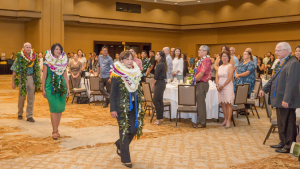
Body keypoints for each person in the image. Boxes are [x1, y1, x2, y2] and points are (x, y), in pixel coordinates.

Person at [259, 42, 300, 153]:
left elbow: (292, 83)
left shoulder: (293, 63)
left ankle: (289, 145)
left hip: (286, 99)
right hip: (279, 99)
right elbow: (273, 79)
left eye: (278, 50)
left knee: (288, 122)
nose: (275, 52)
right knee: (281, 122)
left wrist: (286, 99)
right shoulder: (281, 63)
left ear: (286, 51)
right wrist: (264, 89)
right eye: (276, 50)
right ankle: (283, 142)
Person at [110, 51, 144, 168]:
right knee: (124, 131)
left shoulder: (135, 73)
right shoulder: (116, 74)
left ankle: (120, 145)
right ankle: (126, 158)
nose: (130, 61)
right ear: (121, 60)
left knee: (134, 129)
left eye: (131, 59)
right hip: (121, 107)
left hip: (133, 106)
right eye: (127, 59)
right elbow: (113, 93)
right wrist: (113, 109)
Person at [42, 43, 70, 140]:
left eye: (60, 49)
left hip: (61, 87)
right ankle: (54, 131)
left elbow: (65, 76)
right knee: (54, 108)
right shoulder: (47, 62)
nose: (58, 51)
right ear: (52, 50)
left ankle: (57, 129)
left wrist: (68, 88)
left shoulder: (63, 62)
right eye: (56, 49)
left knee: (60, 109)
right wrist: (43, 89)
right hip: (50, 87)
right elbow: (44, 76)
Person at [11, 42, 41, 122]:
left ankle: (29, 116)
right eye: (27, 47)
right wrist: (13, 82)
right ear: (23, 48)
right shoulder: (19, 57)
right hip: (22, 78)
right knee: (22, 97)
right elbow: (14, 71)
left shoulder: (34, 57)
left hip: (31, 78)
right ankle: (20, 113)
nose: (28, 48)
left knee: (31, 97)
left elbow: (37, 69)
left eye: (30, 47)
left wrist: (38, 79)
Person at [192, 45, 212, 128]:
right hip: (200, 83)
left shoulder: (205, 60)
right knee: (200, 103)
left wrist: (193, 80)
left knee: (201, 103)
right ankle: (200, 121)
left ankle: (202, 122)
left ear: (205, 52)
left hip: (202, 83)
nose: (198, 51)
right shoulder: (202, 60)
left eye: (200, 50)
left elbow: (201, 73)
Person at [215, 51, 234, 128]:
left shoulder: (229, 66)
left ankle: (229, 121)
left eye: (226, 56)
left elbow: (229, 78)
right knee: (222, 103)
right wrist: (217, 85)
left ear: (228, 58)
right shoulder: (220, 67)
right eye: (223, 56)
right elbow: (217, 77)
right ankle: (225, 119)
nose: (224, 58)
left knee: (228, 103)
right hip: (220, 87)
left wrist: (222, 85)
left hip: (227, 86)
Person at [152, 51, 167, 125]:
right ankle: (160, 118)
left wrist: (153, 83)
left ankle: (158, 118)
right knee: (160, 100)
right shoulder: (162, 64)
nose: (156, 55)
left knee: (155, 100)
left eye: (157, 55)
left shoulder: (160, 65)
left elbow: (156, 76)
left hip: (159, 83)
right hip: (161, 83)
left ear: (160, 57)